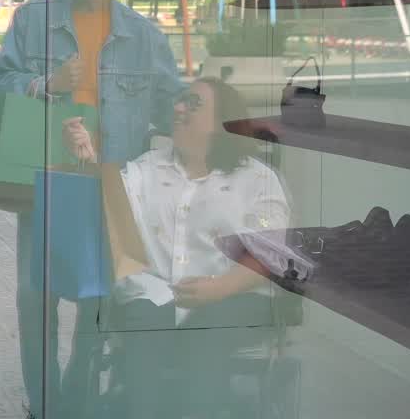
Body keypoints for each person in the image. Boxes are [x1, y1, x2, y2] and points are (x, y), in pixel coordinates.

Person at [0, 0, 183, 417]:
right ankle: (45, 401)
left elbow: (168, 105)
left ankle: (75, 396)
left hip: (111, 183)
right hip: (48, 181)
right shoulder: (34, 19)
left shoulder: (144, 36)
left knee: (99, 300)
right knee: (36, 299)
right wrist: (46, 82)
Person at [63, 78, 293, 417]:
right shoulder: (146, 168)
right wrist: (86, 159)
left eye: (193, 103)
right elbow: (113, 211)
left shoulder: (256, 179)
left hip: (233, 295)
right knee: (142, 328)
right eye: (180, 100)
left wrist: (219, 289)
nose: (178, 107)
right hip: (155, 292)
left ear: (221, 121)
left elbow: (269, 251)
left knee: (208, 339)